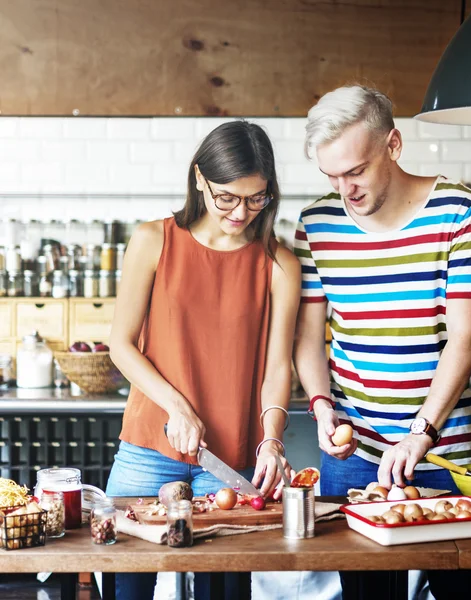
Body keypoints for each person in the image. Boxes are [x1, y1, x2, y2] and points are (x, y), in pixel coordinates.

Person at [293, 85, 471, 600]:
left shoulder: (459, 211)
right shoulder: (317, 224)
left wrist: (421, 433)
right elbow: (307, 340)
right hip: (354, 454)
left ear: (394, 145)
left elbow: (466, 339)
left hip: (447, 455)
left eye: (356, 171)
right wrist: (322, 409)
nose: (346, 190)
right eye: (332, 176)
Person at [106, 120, 301, 600]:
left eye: (257, 199)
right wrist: (177, 407)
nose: (241, 212)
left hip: (230, 458)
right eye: (228, 197)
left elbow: (279, 369)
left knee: (227, 593)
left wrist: (272, 441)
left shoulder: (280, 264)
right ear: (199, 179)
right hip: (149, 450)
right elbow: (121, 344)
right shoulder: (154, 240)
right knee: (124, 587)